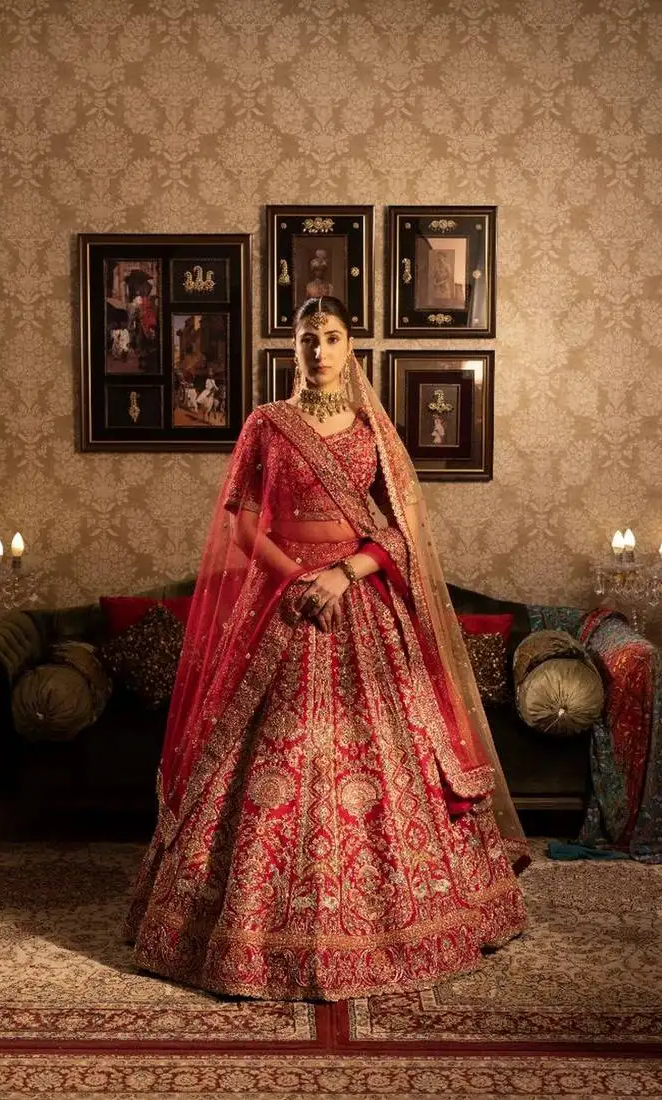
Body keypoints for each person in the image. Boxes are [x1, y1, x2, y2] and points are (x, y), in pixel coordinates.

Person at [124, 296, 529, 1001]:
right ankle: (235, 932)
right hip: (282, 603)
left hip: (363, 605)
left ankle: (410, 920)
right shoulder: (267, 426)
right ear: (293, 347)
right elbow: (241, 523)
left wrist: (345, 573)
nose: (318, 350)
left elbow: (403, 536)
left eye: (332, 338)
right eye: (307, 338)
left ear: (350, 349)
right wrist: (297, 580)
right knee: (259, 757)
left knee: (389, 756)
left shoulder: (375, 430)